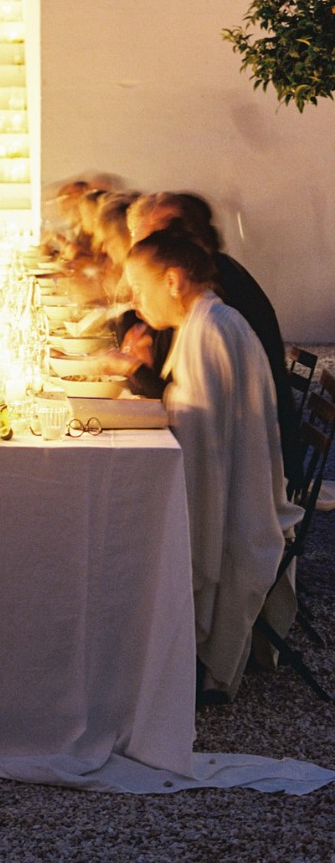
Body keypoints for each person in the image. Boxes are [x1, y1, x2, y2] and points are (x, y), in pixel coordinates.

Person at [124, 227, 300, 701]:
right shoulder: (201, 322)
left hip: (235, 506)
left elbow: (208, 448)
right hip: (224, 483)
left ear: (173, 280)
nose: (134, 302)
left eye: (140, 288)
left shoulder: (213, 330)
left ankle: (184, 651)